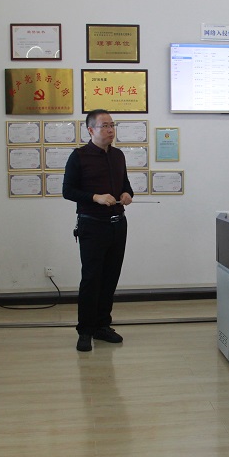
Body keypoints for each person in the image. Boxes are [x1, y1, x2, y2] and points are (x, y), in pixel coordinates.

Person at [62, 109, 133, 352]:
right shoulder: (79, 156)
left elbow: (126, 185)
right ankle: (85, 330)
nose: (110, 130)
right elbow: (67, 191)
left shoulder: (118, 155)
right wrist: (96, 197)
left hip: (118, 224)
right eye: (105, 126)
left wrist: (127, 194)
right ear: (90, 129)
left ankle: (103, 325)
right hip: (92, 225)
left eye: (112, 125)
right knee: (92, 278)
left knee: (110, 277)